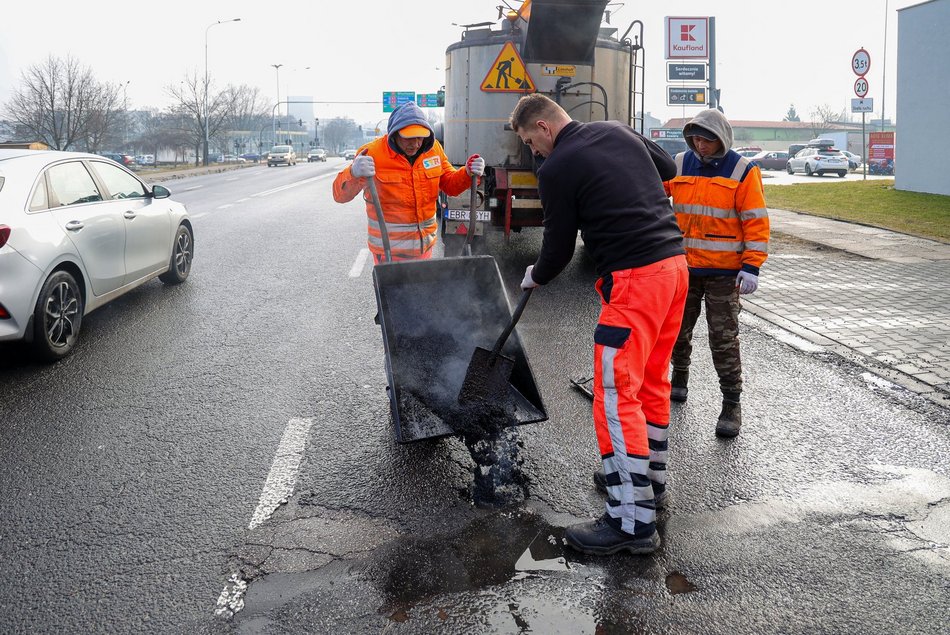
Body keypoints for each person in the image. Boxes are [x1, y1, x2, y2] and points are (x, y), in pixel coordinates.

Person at [509, 93, 688, 556]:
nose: (535, 153)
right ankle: (647, 483)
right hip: (674, 270)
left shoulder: (557, 167)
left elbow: (559, 246)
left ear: (545, 128)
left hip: (634, 282)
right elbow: (668, 168)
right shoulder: (616, 130)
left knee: (614, 395)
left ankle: (631, 522)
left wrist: (537, 274)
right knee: (651, 382)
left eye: (532, 142)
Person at [663, 109, 769, 438]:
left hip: (725, 273)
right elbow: (651, 192)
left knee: (722, 341)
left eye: (706, 138)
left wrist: (752, 266)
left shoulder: (742, 170)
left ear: (720, 139)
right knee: (677, 332)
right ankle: (678, 380)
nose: (700, 144)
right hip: (684, 267)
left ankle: (731, 404)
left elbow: (756, 219)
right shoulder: (680, 164)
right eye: (695, 137)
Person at [332, 101, 485, 263]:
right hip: (388, 254)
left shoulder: (433, 150)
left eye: (420, 137)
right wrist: (353, 173)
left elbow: (450, 185)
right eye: (409, 138)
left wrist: (467, 173)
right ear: (394, 134)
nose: (416, 143)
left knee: (421, 289)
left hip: (424, 250)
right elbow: (340, 196)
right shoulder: (371, 154)